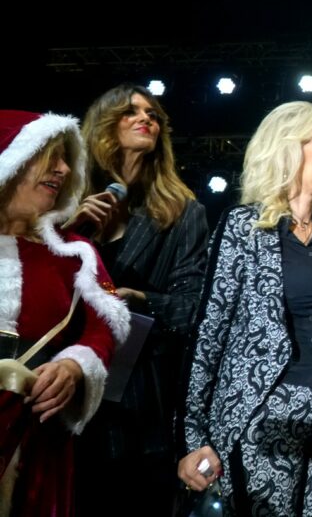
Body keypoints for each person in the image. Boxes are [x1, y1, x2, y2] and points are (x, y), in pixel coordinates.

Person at [178, 101, 312, 515]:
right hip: (263, 414)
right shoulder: (244, 226)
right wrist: (193, 436)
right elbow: (209, 332)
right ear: (288, 151)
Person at [71, 84, 209, 514]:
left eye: (152, 114)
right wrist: (68, 233)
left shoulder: (182, 212)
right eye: (130, 111)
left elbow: (194, 307)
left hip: (138, 405)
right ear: (104, 125)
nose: (145, 118)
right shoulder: (65, 199)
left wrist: (141, 299)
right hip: (61, 397)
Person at [0, 110, 129, 515]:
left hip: (34, 438)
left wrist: (74, 366)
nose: (64, 169)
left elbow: (105, 328)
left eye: (66, 159)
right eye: (49, 156)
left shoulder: (76, 253)